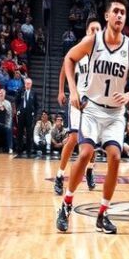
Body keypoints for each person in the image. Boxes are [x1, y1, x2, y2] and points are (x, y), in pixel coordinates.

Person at [55, 0, 129, 235]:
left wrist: (128, 96)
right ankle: (66, 204)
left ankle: (103, 213)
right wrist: (72, 90)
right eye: (115, 11)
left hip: (115, 113)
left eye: (123, 12)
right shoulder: (93, 41)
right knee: (84, 153)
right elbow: (68, 59)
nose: (119, 15)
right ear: (107, 16)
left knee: (115, 156)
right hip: (92, 108)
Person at [54, 18, 102, 195]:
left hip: (95, 104)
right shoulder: (79, 51)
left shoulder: (104, 55)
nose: (96, 32)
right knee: (73, 138)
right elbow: (63, 69)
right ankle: (59, 175)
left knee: (92, 142)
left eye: (98, 29)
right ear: (87, 32)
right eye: (92, 29)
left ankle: (89, 169)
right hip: (77, 101)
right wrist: (61, 91)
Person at [15, 77, 38, 157]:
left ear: (31, 85)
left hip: (29, 115)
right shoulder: (20, 91)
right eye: (26, 83)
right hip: (21, 114)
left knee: (29, 133)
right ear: (24, 84)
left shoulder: (33, 93)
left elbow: (36, 105)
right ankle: (19, 151)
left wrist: (34, 114)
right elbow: (16, 102)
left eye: (29, 83)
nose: (27, 85)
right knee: (20, 133)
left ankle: (29, 152)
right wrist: (18, 110)